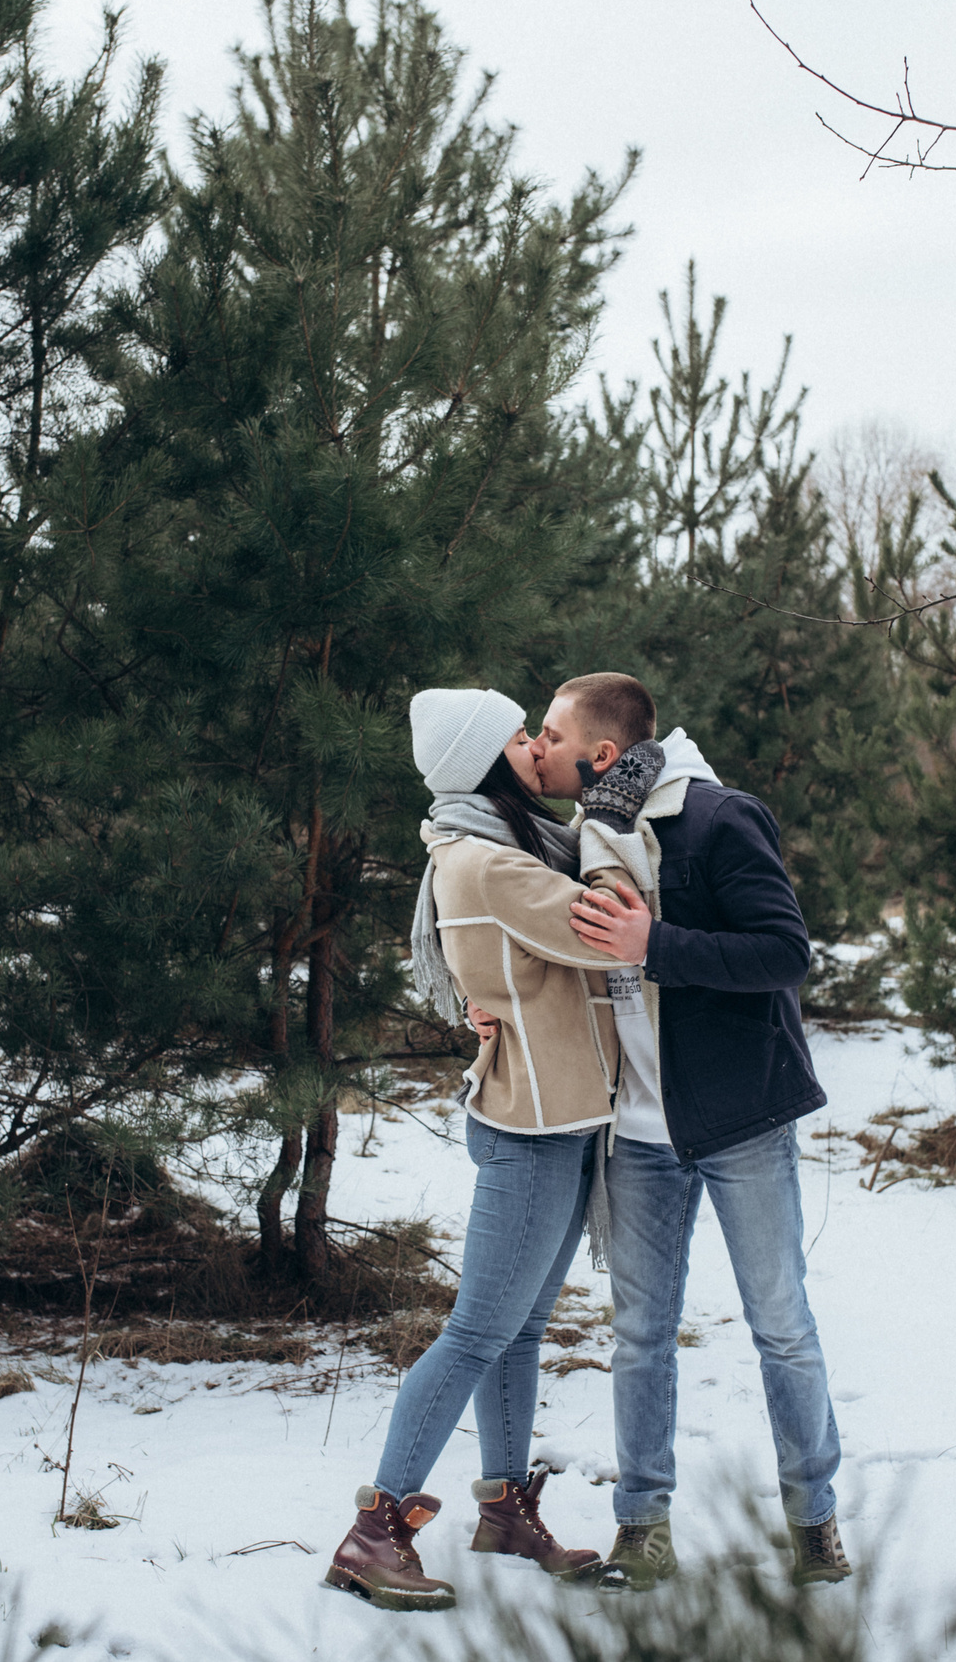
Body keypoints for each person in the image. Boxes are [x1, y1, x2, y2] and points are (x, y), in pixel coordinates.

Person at [531, 670, 854, 1590]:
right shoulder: (581, 837)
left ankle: (814, 1517)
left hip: (739, 1119)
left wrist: (654, 947)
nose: (538, 745)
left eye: (551, 732)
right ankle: (642, 1524)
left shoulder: (717, 817)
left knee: (780, 1323)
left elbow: (786, 953)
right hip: (634, 1131)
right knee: (639, 1333)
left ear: (601, 754)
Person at [323, 686, 633, 1612]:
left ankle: (505, 1508)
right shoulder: (488, 863)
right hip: (531, 1131)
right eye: (520, 737)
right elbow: (605, 924)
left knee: (518, 1332)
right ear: (485, 761)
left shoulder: (503, 846)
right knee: (475, 1334)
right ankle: (374, 1530)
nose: (539, 748)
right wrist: (620, 824)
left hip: (559, 1116)